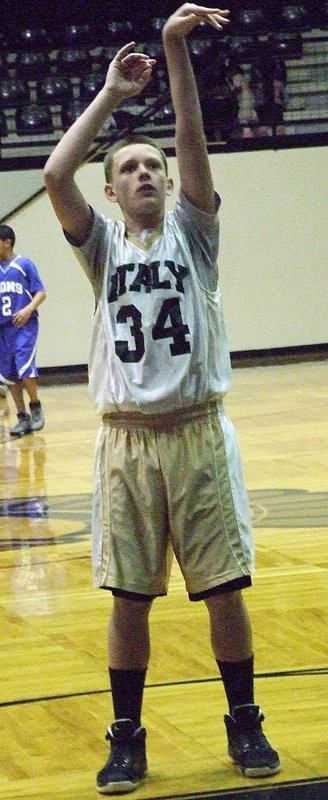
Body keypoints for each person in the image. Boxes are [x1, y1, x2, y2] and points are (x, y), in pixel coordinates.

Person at [44, 4, 280, 794]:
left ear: (171, 184)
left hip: (199, 433)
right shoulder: (102, 248)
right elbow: (53, 174)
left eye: (154, 167)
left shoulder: (193, 234)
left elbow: (191, 137)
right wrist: (112, 94)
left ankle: (244, 721)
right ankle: (127, 735)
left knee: (224, 589)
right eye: (130, 170)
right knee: (129, 599)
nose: (145, 173)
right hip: (127, 441)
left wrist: (175, 47)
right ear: (111, 194)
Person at [0, 224, 46, 436]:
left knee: (23, 365)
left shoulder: (24, 264)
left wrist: (28, 310)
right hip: (4, 329)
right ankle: (22, 418)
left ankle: (35, 407)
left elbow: (40, 293)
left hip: (24, 325)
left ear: (7, 242)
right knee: (9, 376)